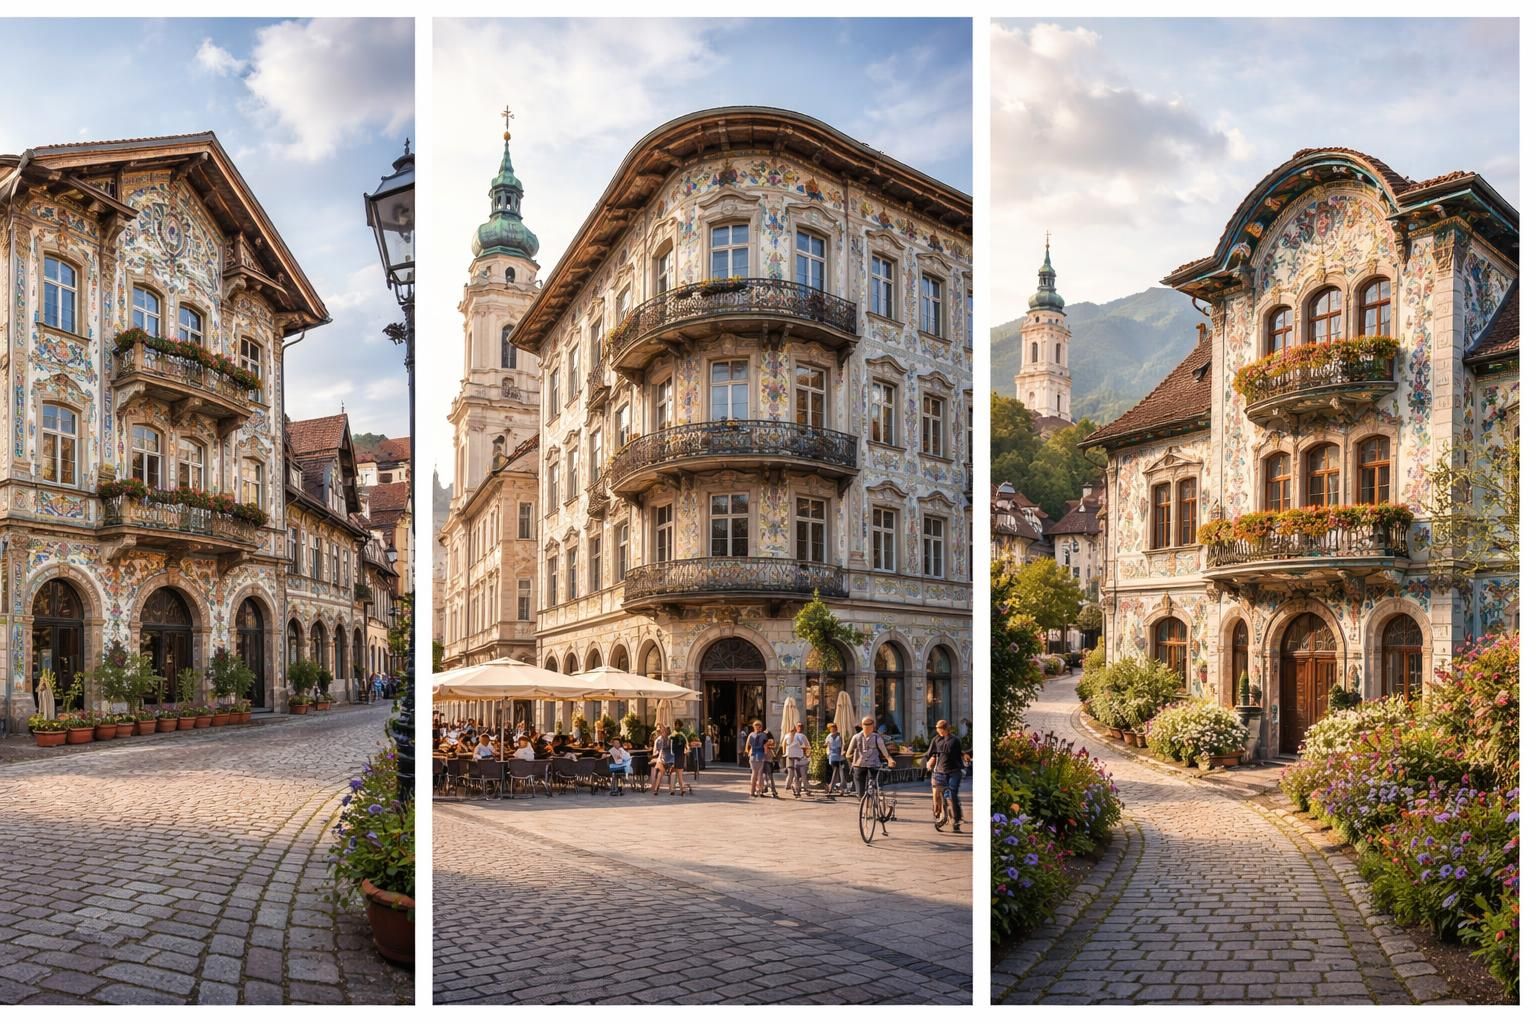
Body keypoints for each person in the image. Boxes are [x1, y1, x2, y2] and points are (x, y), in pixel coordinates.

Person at [925, 719, 966, 832]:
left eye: (939, 729)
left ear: (945, 729)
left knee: (952, 795)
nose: (938, 731)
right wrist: (929, 762)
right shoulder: (936, 739)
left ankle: (956, 821)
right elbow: (931, 753)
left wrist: (964, 755)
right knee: (937, 796)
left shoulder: (954, 740)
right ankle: (938, 816)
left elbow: (951, 751)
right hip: (939, 772)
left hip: (954, 771)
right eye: (937, 729)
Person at [846, 716, 896, 797]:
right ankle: (869, 797)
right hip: (868, 765)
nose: (867, 726)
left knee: (864, 788)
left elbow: (848, 754)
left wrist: (853, 760)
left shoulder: (857, 737)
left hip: (863, 765)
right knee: (869, 785)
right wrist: (889, 760)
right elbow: (885, 752)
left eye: (868, 724)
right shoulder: (876, 737)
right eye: (866, 724)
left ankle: (868, 798)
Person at [783, 721, 810, 798]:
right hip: (791, 757)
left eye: (801, 726)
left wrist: (807, 755)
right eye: (798, 726)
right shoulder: (787, 736)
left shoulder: (802, 736)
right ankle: (793, 787)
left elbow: (807, 746)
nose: (800, 728)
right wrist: (785, 753)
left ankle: (798, 789)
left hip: (799, 758)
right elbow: (784, 744)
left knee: (798, 775)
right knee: (793, 774)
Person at [744, 720, 769, 797]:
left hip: (752, 755)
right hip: (760, 755)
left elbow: (747, 746)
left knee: (754, 774)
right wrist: (766, 754)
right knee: (760, 774)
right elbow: (765, 747)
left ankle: (752, 791)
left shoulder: (751, 735)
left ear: (754, 727)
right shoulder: (764, 735)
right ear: (760, 727)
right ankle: (760, 791)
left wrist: (749, 753)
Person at [825, 722, 849, 797]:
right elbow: (826, 744)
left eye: (833, 728)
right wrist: (826, 745)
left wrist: (841, 755)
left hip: (839, 757)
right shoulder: (829, 736)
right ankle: (841, 788)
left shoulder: (839, 736)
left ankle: (831, 787)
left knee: (837, 772)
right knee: (837, 772)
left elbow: (841, 746)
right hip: (832, 756)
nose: (832, 729)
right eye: (831, 728)